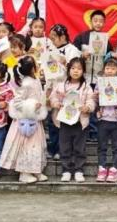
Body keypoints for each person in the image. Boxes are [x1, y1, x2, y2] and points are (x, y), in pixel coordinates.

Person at [0, 56, 48, 184]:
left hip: (35, 118)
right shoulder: (26, 83)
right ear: (32, 68)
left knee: (36, 145)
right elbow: (17, 102)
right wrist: (32, 106)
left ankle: (36, 170)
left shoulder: (35, 80)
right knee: (26, 146)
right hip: (25, 121)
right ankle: (24, 173)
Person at [50, 58, 95, 183]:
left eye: (79, 69)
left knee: (80, 147)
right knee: (65, 146)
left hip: (80, 121)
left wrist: (88, 107)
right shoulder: (61, 85)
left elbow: (91, 100)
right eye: (73, 68)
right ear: (68, 69)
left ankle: (79, 170)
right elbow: (53, 97)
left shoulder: (86, 87)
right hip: (64, 121)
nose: (76, 71)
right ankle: (66, 170)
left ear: (83, 71)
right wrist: (56, 103)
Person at [45, 24, 81, 160]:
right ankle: (52, 148)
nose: (52, 39)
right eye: (51, 37)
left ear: (63, 36)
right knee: (52, 120)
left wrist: (65, 62)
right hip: (52, 88)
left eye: (54, 37)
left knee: (64, 120)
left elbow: (76, 70)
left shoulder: (73, 50)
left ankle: (63, 149)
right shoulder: (50, 49)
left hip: (67, 89)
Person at [94, 58, 117, 183]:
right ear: (103, 69)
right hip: (103, 119)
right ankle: (102, 168)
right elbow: (94, 100)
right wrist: (95, 96)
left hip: (116, 120)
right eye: (107, 68)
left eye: (113, 68)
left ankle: (114, 169)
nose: (110, 71)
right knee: (102, 146)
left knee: (116, 146)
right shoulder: (99, 83)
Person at [72, 10, 113, 86]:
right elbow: (72, 55)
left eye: (101, 21)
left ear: (104, 23)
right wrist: (82, 55)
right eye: (95, 21)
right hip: (82, 78)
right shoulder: (81, 37)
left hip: (99, 79)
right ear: (90, 22)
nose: (98, 23)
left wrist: (113, 54)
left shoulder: (106, 40)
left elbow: (109, 59)